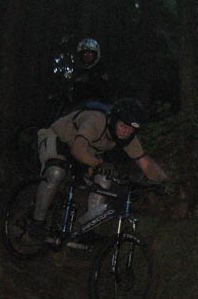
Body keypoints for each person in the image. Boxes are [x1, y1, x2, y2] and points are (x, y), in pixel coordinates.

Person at [27, 98, 168, 243]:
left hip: (85, 149)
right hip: (58, 138)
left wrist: (164, 182)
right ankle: (37, 222)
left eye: (131, 130)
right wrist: (98, 164)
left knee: (104, 179)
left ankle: (87, 228)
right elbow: (78, 149)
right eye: (122, 126)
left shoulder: (128, 137)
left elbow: (145, 163)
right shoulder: (96, 120)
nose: (126, 132)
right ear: (113, 121)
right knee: (56, 172)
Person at [67, 38, 111, 108]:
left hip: (99, 105)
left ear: (95, 55)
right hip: (78, 106)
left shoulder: (102, 70)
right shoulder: (78, 73)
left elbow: (105, 92)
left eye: (90, 54)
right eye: (84, 54)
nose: (87, 56)